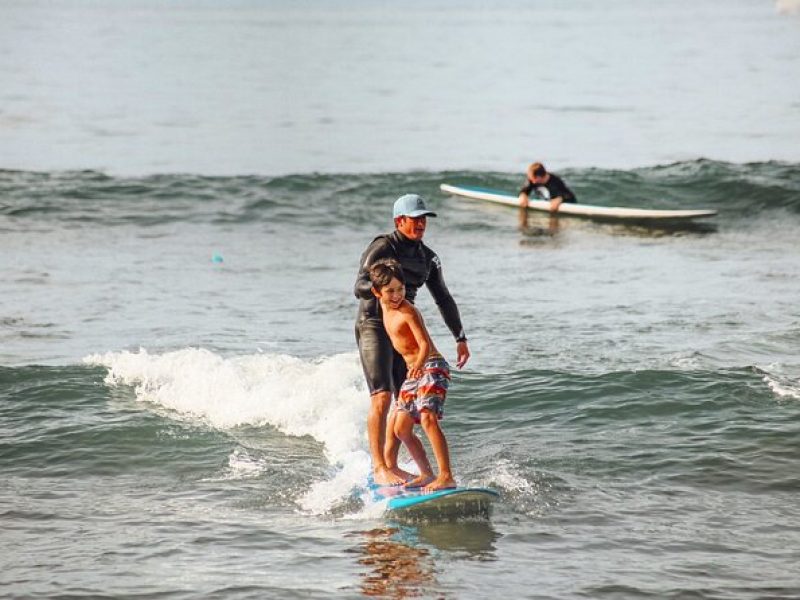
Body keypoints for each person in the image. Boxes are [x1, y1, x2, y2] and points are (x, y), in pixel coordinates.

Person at [354, 193, 470, 486]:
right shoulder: (383, 246)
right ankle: (379, 466)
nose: (420, 224)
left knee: (402, 403)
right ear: (399, 221)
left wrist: (460, 336)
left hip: (403, 330)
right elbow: (359, 285)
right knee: (381, 395)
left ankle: (395, 464)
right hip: (374, 325)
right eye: (414, 219)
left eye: (423, 219)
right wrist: (385, 289)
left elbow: (443, 297)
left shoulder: (428, 258)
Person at [368, 258, 455, 492]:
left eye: (401, 289)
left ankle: (446, 475)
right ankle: (427, 473)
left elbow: (424, 344)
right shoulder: (383, 310)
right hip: (413, 372)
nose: (397, 295)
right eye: (390, 291)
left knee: (427, 418)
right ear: (377, 292)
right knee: (401, 429)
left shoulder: (407, 310)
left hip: (431, 365)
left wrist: (418, 364)